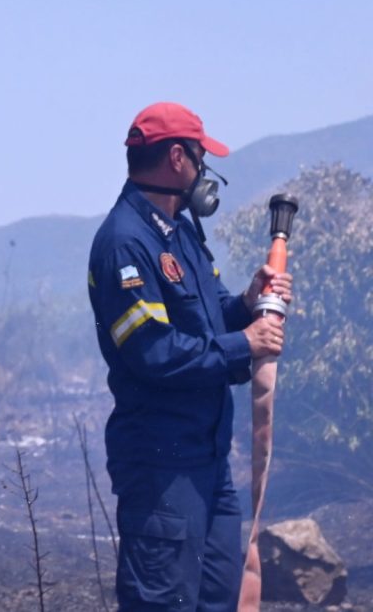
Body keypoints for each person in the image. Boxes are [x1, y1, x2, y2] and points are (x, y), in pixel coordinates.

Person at [87, 102, 292, 611]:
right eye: (201, 157)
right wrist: (247, 343)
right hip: (161, 467)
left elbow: (202, 323)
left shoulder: (178, 231)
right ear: (178, 157)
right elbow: (153, 353)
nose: (205, 170)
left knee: (216, 599)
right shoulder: (124, 245)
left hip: (209, 459)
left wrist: (247, 303)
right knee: (163, 603)